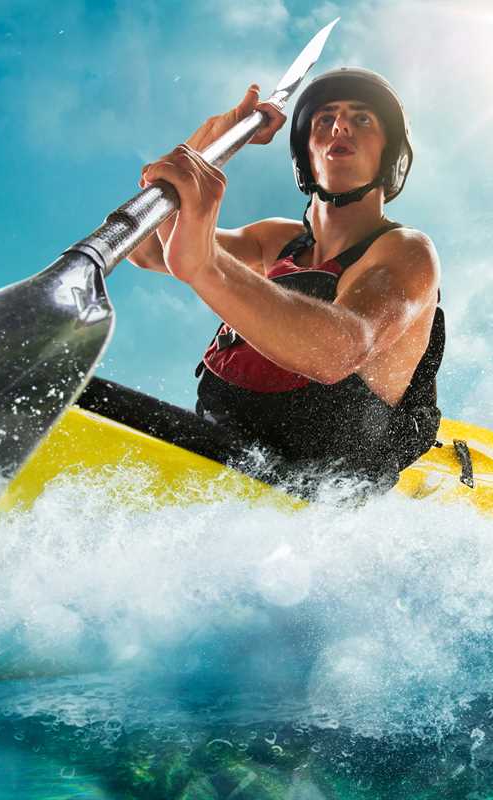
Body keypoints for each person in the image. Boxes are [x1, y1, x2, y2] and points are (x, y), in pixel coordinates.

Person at [127, 68, 446, 492]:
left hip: (326, 486)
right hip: (224, 449)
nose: (341, 125)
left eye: (363, 118)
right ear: (306, 152)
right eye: (324, 119)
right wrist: (202, 147)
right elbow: (147, 250)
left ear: (389, 152)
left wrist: (207, 266)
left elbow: (340, 349)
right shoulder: (276, 240)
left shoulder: (407, 250)